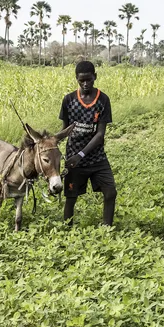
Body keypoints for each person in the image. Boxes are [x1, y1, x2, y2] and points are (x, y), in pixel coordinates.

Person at [59, 60, 116, 226]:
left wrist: (81, 155)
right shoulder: (69, 100)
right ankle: (67, 229)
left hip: (96, 158)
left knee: (110, 192)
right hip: (73, 160)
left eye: (89, 79)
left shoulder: (103, 100)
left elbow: (100, 135)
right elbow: (65, 130)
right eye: (81, 80)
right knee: (70, 197)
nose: (85, 83)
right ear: (76, 78)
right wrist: (49, 143)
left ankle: (107, 228)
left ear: (95, 77)